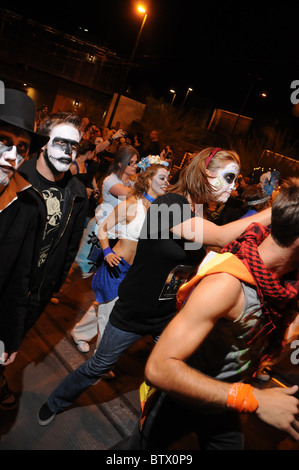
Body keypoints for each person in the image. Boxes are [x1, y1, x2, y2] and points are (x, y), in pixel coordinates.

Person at [37, 147, 271, 426]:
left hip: (169, 315)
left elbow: (214, 247)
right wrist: (277, 211)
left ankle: (151, 430)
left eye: (236, 180)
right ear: (205, 173)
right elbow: (220, 237)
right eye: (229, 178)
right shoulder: (169, 204)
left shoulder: (197, 211)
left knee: (175, 375)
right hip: (135, 310)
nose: (233, 188)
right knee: (99, 366)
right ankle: (55, 401)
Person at [129, 177, 299, 450]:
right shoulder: (227, 285)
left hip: (225, 402)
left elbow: (257, 334)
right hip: (186, 395)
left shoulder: (285, 286)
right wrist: (250, 399)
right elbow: (159, 367)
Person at [72, 161, 169, 353]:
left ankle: (79, 333)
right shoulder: (132, 204)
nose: (167, 182)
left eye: (168, 178)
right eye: (162, 178)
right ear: (149, 179)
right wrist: (107, 252)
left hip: (134, 271)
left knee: (104, 304)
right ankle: (100, 363)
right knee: (110, 316)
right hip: (115, 266)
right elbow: (103, 228)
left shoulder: (159, 210)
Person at [16, 112, 88, 336]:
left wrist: (55, 284)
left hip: (38, 291)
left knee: (14, 341)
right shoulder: (17, 177)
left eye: (74, 146)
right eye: (61, 143)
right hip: (9, 279)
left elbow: (70, 246)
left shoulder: (77, 193)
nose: (69, 152)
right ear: (43, 145)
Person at [0, 88, 49, 410]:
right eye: (5, 141)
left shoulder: (29, 206)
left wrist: (11, 335)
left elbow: (20, 280)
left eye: (21, 148)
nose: (11, 156)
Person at [71, 145, 139, 351]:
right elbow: (132, 195)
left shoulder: (133, 182)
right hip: (99, 233)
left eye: (137, 163)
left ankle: (81, 333)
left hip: (116, 239)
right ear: (120, 163)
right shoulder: (111, 181)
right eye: (132, 163)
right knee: (79, 272)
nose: (135, 167)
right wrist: (150, 181)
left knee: (108, 294)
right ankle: (46, 289)